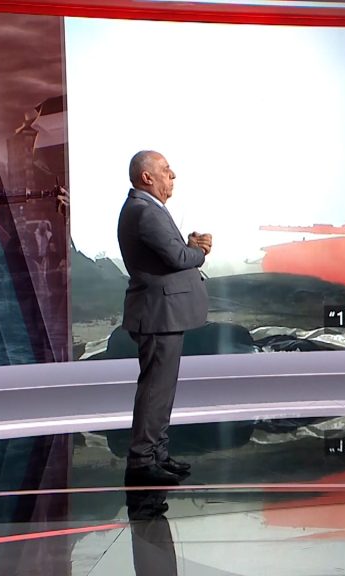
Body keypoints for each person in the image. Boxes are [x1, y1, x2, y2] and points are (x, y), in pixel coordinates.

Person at [118, 150, 212, 486]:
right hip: (158, 315)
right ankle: (143, 460)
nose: (172, 176)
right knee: (156, 389)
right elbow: (176, 257)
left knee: (161, 388)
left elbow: (166, 254)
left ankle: (157, 453)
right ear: (147, 177)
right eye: (166, 170)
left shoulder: (147, 209)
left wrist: (188, 247)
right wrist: (198, 251)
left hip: (161, 315)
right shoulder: (145, 211)